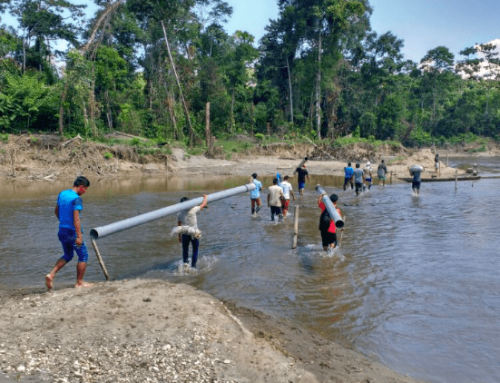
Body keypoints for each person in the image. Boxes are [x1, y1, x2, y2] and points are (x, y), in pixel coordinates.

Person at [45, 176, 92, 291]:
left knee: (68, 255)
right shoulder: (76, 199)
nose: (85, 192)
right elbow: (76, 219)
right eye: (85, 189)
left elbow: (56, 211)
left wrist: (64, 222)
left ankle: (51, 274)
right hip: (72, 232)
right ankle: (79, 282)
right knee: (83, 256)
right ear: (81, 187)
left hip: (62, 230)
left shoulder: (62, 194)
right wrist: (79, 236)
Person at [177, 194, 208, 268]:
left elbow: (179, 225)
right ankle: (193, 266)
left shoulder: (180, 213)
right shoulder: (193, 209)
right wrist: (205, 197)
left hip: (185, 233)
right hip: (194, 233)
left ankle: (185, 263)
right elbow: (204, 204)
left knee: (185, 250)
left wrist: (179, 236)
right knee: (195, 250)